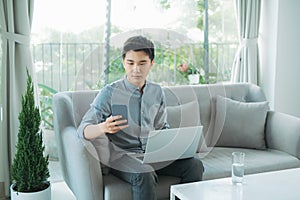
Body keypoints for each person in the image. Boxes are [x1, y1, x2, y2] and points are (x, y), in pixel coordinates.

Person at [78, 35, 204, 200]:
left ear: (151, 63)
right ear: (124, 62)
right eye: (130, 63)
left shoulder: (157, 91)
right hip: (122, 157)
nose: (136, 69)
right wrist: (103, 127)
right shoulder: (109, 93)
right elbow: (83, 130)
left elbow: (161, 126)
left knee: (194, 165)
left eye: (142, 63)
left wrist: (173, 144)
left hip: (154, 154)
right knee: (144, 173)